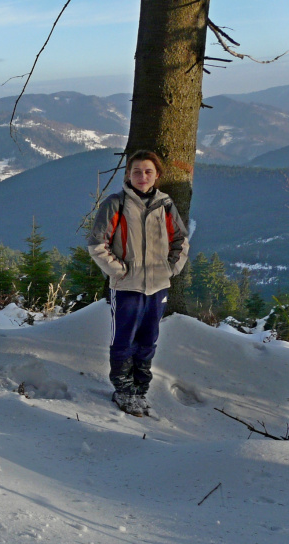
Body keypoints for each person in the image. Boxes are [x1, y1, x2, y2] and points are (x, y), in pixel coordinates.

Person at [87, 150, 189, 416]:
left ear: (157, 176)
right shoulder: (115, 203)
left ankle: (140, 390)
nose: (142, 176)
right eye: (136, 171)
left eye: (148, 172)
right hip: (126, 288)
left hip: (158, 286)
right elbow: (97, 244)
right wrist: (119, 271)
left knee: (148, 339)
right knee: (124, 339)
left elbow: (181, 240)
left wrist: (171, 268)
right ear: (128, 174)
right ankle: (123, 390)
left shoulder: (165, 204)